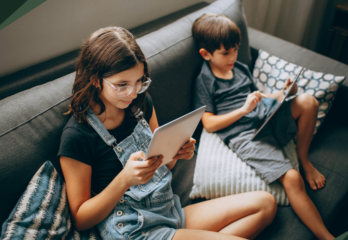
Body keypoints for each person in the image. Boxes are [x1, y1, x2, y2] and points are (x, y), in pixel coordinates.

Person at [58, 26, 277, 240]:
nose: (132, 93)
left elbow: (165, 165)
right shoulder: (77, 135)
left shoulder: (140, 104)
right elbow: (80, 218)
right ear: (95, 79)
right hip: (135, 229)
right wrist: (123, 180)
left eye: (139, 82)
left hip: (168, 211)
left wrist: (178, 151)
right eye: (122, 85)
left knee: (266, 204)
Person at [192, 13, 335, 240]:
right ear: (206, 54)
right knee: (292, 178)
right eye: (226, 52)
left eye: (236, 49)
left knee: (309, 101)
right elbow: (208, 123)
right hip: (245, 136)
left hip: (265, 117)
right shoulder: (205, 80)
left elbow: (259, 95)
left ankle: (304, 160)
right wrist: (243, 110)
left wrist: (284, 93)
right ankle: (327, 237)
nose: (233, 56)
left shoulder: (239, 67)